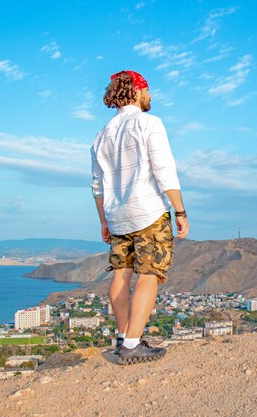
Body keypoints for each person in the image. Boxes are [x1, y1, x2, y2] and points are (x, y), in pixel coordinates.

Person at [90, 70, 189, 365]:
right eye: (147, 90)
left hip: (118, 215)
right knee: (151, 273)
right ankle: (132, 345)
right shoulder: (149, 123)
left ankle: (124, 337)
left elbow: (98, 186)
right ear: (137, 91)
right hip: (148, 211)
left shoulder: (101, 135)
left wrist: (104, 221)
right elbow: (164, 170)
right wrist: (180, 211)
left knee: (122, 272)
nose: (150, 96)